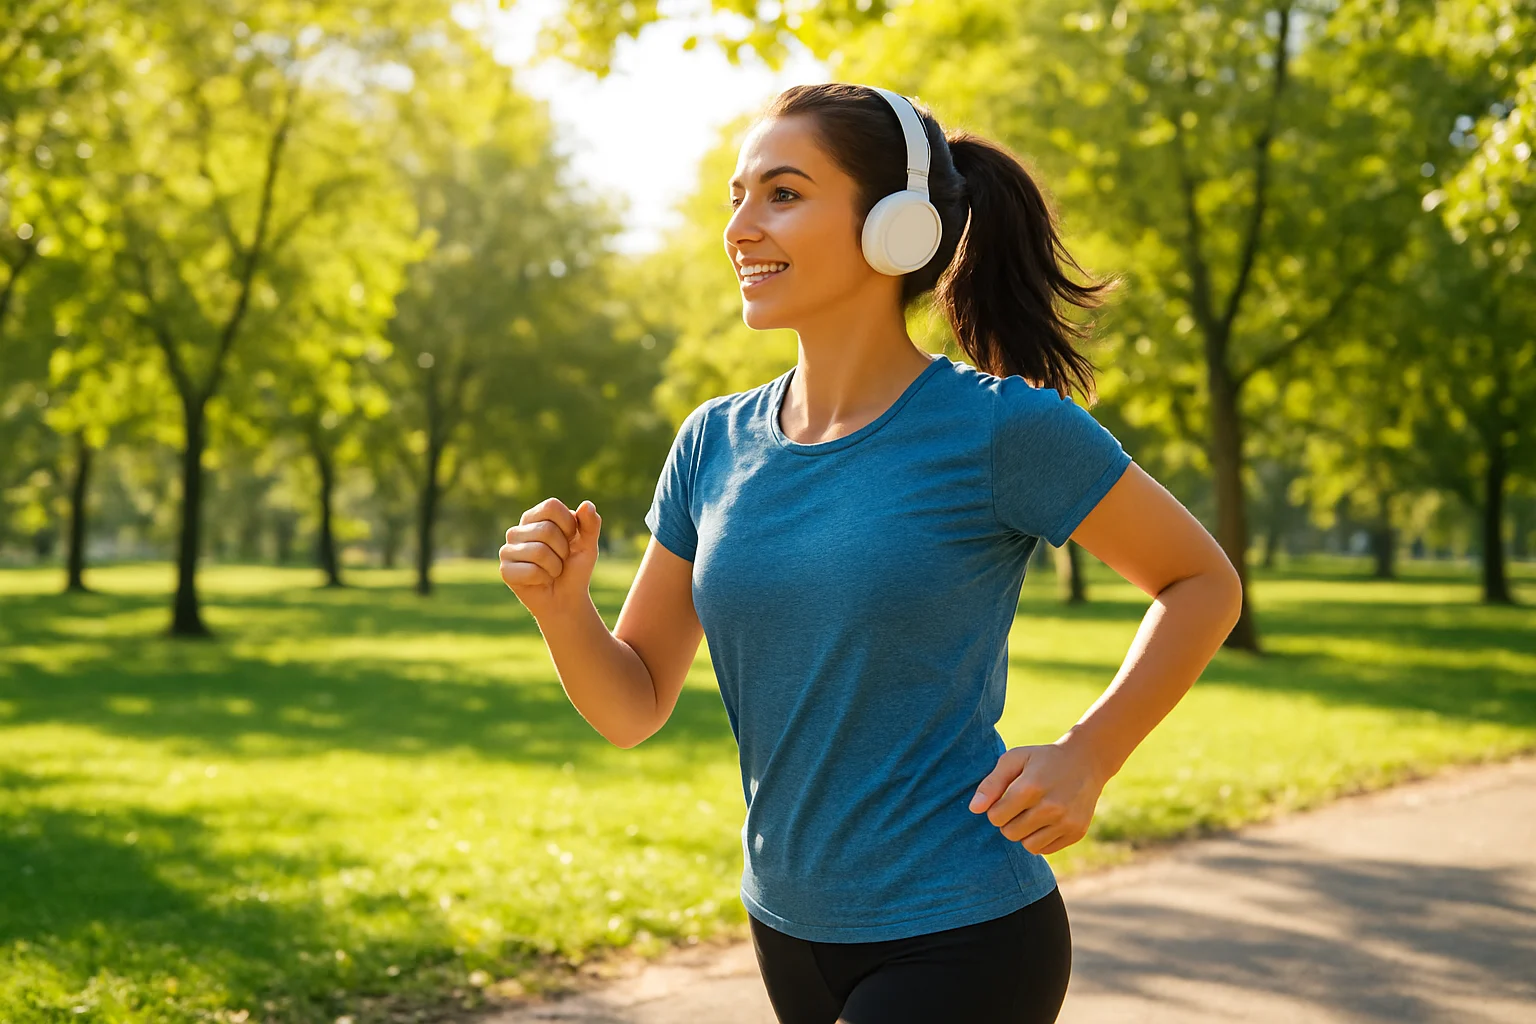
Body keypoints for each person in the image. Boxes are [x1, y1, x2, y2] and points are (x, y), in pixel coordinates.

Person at [498, 82, 1243, 1024]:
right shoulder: (712, 443)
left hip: (962, 934)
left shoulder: (998, 427)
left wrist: (1090, 755)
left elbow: (1200, 580)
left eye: (783, 193)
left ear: (894, 227)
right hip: (787, 929)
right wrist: (564, 611)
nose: (740, 227)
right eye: (737, 196)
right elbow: (633, 704)